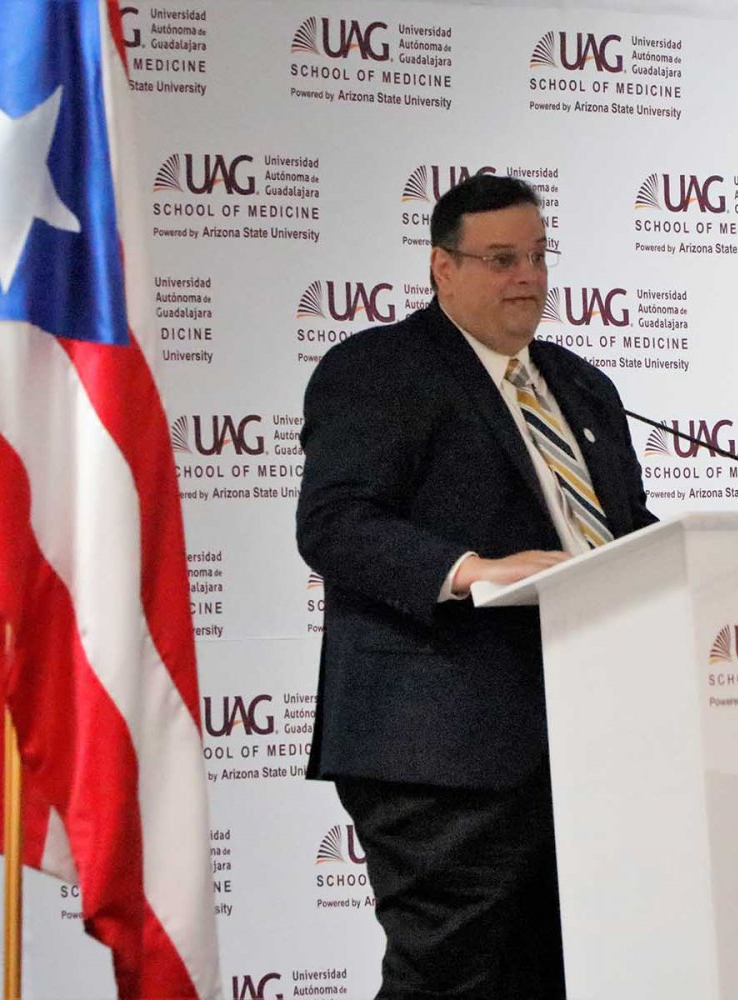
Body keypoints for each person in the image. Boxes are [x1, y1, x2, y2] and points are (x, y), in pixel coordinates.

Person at [296, 174, 656, 999]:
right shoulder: (380, 368)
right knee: (449, 981)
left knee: (561, 977)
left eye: (537, 256)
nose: (527, 277)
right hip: (442, 753)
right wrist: (470, 569)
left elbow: (622, 528)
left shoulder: (581, 384)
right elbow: (335, 523)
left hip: (589, 741)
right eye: (501, 259)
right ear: (442, 268)